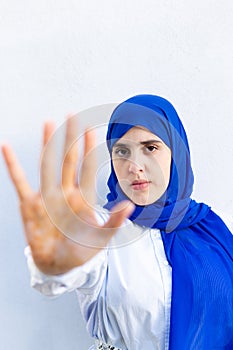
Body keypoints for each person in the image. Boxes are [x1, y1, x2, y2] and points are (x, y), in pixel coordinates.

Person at [2, 94, 233, 350]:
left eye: (150, 147)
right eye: (122, 151)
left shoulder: (210, 228)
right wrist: (54, 266)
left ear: (176, 153)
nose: (134, 167)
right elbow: (64, 273)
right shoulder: (99, 229)